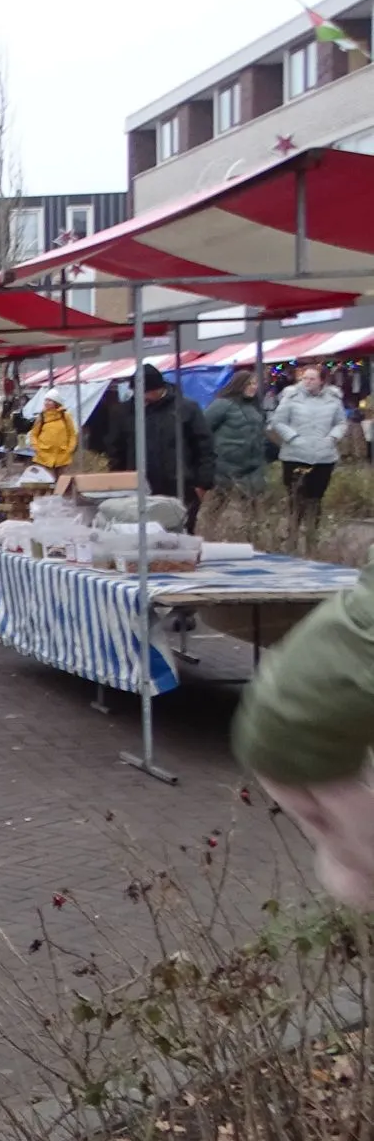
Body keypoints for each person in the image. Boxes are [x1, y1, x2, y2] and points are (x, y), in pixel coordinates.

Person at [233, 548, 374, 909]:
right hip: (307, 751)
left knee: (344, 844)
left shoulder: (363, 603)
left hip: (265, 725)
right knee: (359, 850)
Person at [106, 364, 214, 529]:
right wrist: (119, 482)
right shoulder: (124, 412)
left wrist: (202, 484)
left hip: (180, 487)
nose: (140, 396)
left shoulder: (186, 409)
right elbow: (116, 449)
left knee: (179, 535)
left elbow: (204, 447)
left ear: (158, 388)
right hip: (137, 487)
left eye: (145, 392)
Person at [270, 364, 348, 549]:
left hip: (323, 456)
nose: (307, 382)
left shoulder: (333, 399)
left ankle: (313, 540)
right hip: (295, 455)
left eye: (312, 379)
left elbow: (341, 423)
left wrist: (332, 437)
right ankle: (292, 539)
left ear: (322, 380)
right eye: (304, 378)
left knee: (315, 499)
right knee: (296, 497)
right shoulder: (291, 397)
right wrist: (293, 438)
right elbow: (278, 422)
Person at [204, 370, 270, 496]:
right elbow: (204, 429)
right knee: (221, 505)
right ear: (239, 385)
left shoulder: (255, 406)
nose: (253, 387)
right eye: (249, 384)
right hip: (225, 467)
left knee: (251, 506)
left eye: (255, 384)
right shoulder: (222, 404)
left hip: (253, 467)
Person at [27, 396, 77, 476]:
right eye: (46, 400)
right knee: (46, 484)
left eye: (50, 400)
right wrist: (36, 448)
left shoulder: (65, 416)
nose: (46, 402)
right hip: (44, 457)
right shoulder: (42, 416)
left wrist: (70, 449)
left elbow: (72, 434)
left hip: (62, 457)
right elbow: (34, 434)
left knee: (63, 483)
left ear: (56, 402)